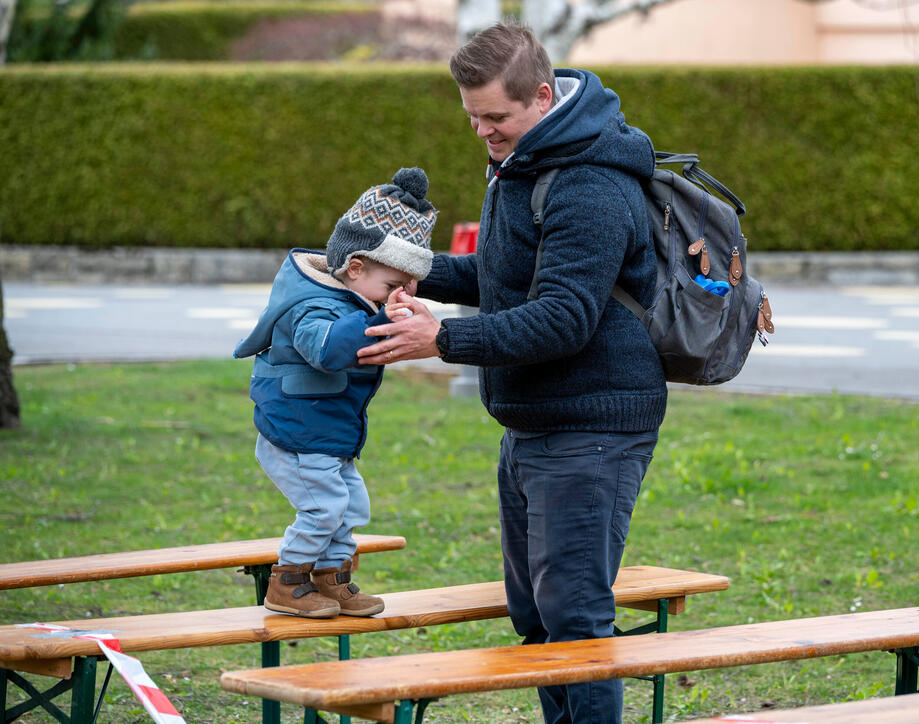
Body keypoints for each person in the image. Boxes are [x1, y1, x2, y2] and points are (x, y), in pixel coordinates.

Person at [357, 24, 667, 723]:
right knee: (535, 616)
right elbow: (505, 278)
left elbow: (561, 317)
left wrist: (440, 340)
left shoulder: (588, 181)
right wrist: (405, 268)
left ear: (542, 95)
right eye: (472, 117)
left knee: (576, 624)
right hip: (534, 425)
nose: (482, 132)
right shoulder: (524, 158)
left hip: (592, 428)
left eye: (495, 117)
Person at [234, 167, 437, 618]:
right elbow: (326, 351)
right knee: (324, 507)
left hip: (327, 433)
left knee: (350, 506)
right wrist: (376, 318)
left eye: (409, 286)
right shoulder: (312, 305)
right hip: (296, 433)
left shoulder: (355, 299)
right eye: (392, 287)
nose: (399, 296)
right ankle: (287, 583)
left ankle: (333, 581)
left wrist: (382, 312)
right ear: (356, 267)